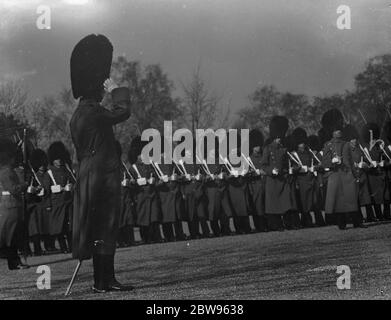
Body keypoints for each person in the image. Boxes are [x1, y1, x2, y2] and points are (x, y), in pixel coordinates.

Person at [69, 34, 133, 293]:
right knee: (106, 225)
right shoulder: (94, 111)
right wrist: (115, 89)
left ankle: (102, 281)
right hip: (102, 174)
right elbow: (123, 112)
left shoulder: (78, 114)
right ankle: (105, 280)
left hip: (88, 174)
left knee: (97, 227)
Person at [261, 116, 297, 231]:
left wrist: (287, 171)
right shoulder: (267, 149)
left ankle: (289, 223)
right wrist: (271, 171)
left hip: (282, 178)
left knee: (286, 203)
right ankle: (276, 225)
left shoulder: (283, 149)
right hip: (272, 180)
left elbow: (286, 164)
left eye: (280, 138)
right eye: (277, 138)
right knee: (273, 205)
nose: (279, 140)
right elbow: (263, 165)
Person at [0, 138, 30, 270]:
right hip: (9, 207)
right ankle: (14, 262)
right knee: (10, 237)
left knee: (12, 236)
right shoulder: (6, 172)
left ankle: (14, 262)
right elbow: (13, 189)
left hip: (12, 206)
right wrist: (25, 185)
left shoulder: (8, 170)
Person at [44, 141, 74, 253]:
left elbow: (74, 182)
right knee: (60, 227)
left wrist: (71, 187)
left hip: (68, 201)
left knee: (70, 227)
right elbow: (46, 191)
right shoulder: (49, 173)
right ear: (52, 159)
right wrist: (48, 205)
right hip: (57, 203)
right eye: (56, 159)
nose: (59, 161)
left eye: (60, 158)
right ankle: (63, 248)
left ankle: (71, 246)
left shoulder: (66, 170)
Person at [361, 123, 386, 221]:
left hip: (377, 173)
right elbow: (363, 160)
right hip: (369, 174)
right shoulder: (365, 148)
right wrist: (369, 165)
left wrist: (381, 162)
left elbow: (382, 158)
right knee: (370, 197)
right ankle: (371, 216)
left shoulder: (378, 147)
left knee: (378, 197)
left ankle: (380, 215)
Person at [247, 129, 268, 232]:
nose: (258, 148)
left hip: (264, 184)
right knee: (258, 206)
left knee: (265, 205)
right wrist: (257, 172)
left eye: (259, 145)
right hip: (255, 185)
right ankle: (259, 225)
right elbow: (248, 172)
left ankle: (266, 224)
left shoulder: (264, 156)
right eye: (256, 146)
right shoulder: (249, 159)